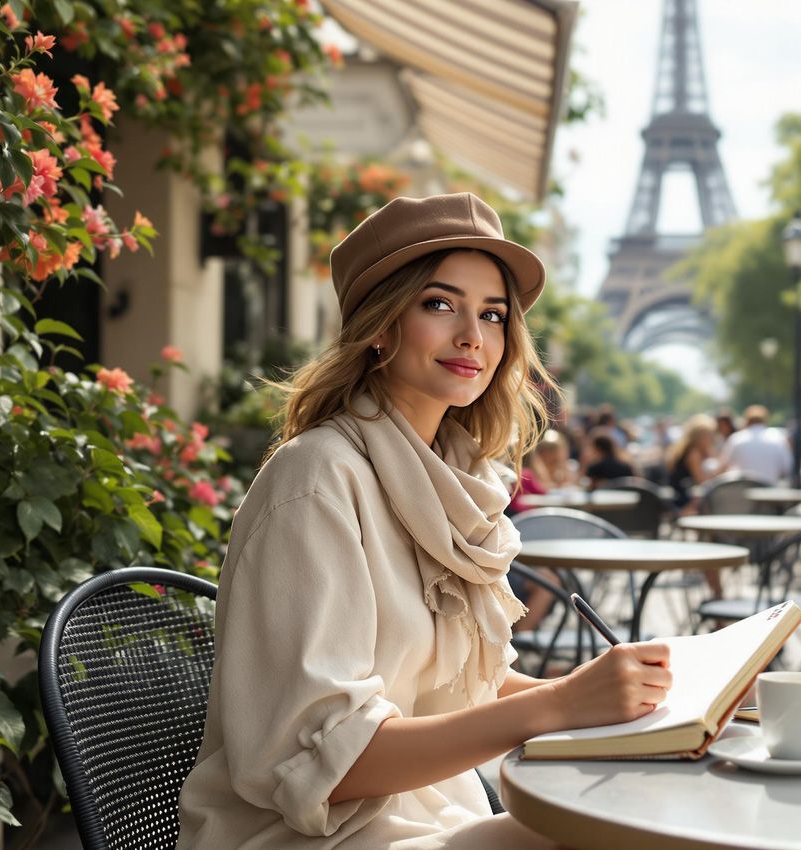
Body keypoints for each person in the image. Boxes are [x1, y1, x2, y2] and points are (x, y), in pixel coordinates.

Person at [176, 193, 672, 850]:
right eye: (440, 304)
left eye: (492, 315)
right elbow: (323, 760)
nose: (473, 335)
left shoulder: (455, 481)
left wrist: (609, 697)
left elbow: (463, 685)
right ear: (380, 324)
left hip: (433, 819)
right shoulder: (318, 477)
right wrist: (558, 707)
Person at [718, 405, 792, 484]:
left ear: (747, 421)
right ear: (765, 420)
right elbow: (787, 468)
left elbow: (722, 468)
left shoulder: (736, 439)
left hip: (741, 491)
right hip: (769, 491)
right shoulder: (778, 438)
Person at [666, 414, 720, 510]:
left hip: (683, 494)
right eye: (710, 436)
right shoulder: (693, 453)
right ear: (700, 437)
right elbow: (702, 482)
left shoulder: (690, 450)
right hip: (684, 500)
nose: (713, 439)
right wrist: (721, 473)